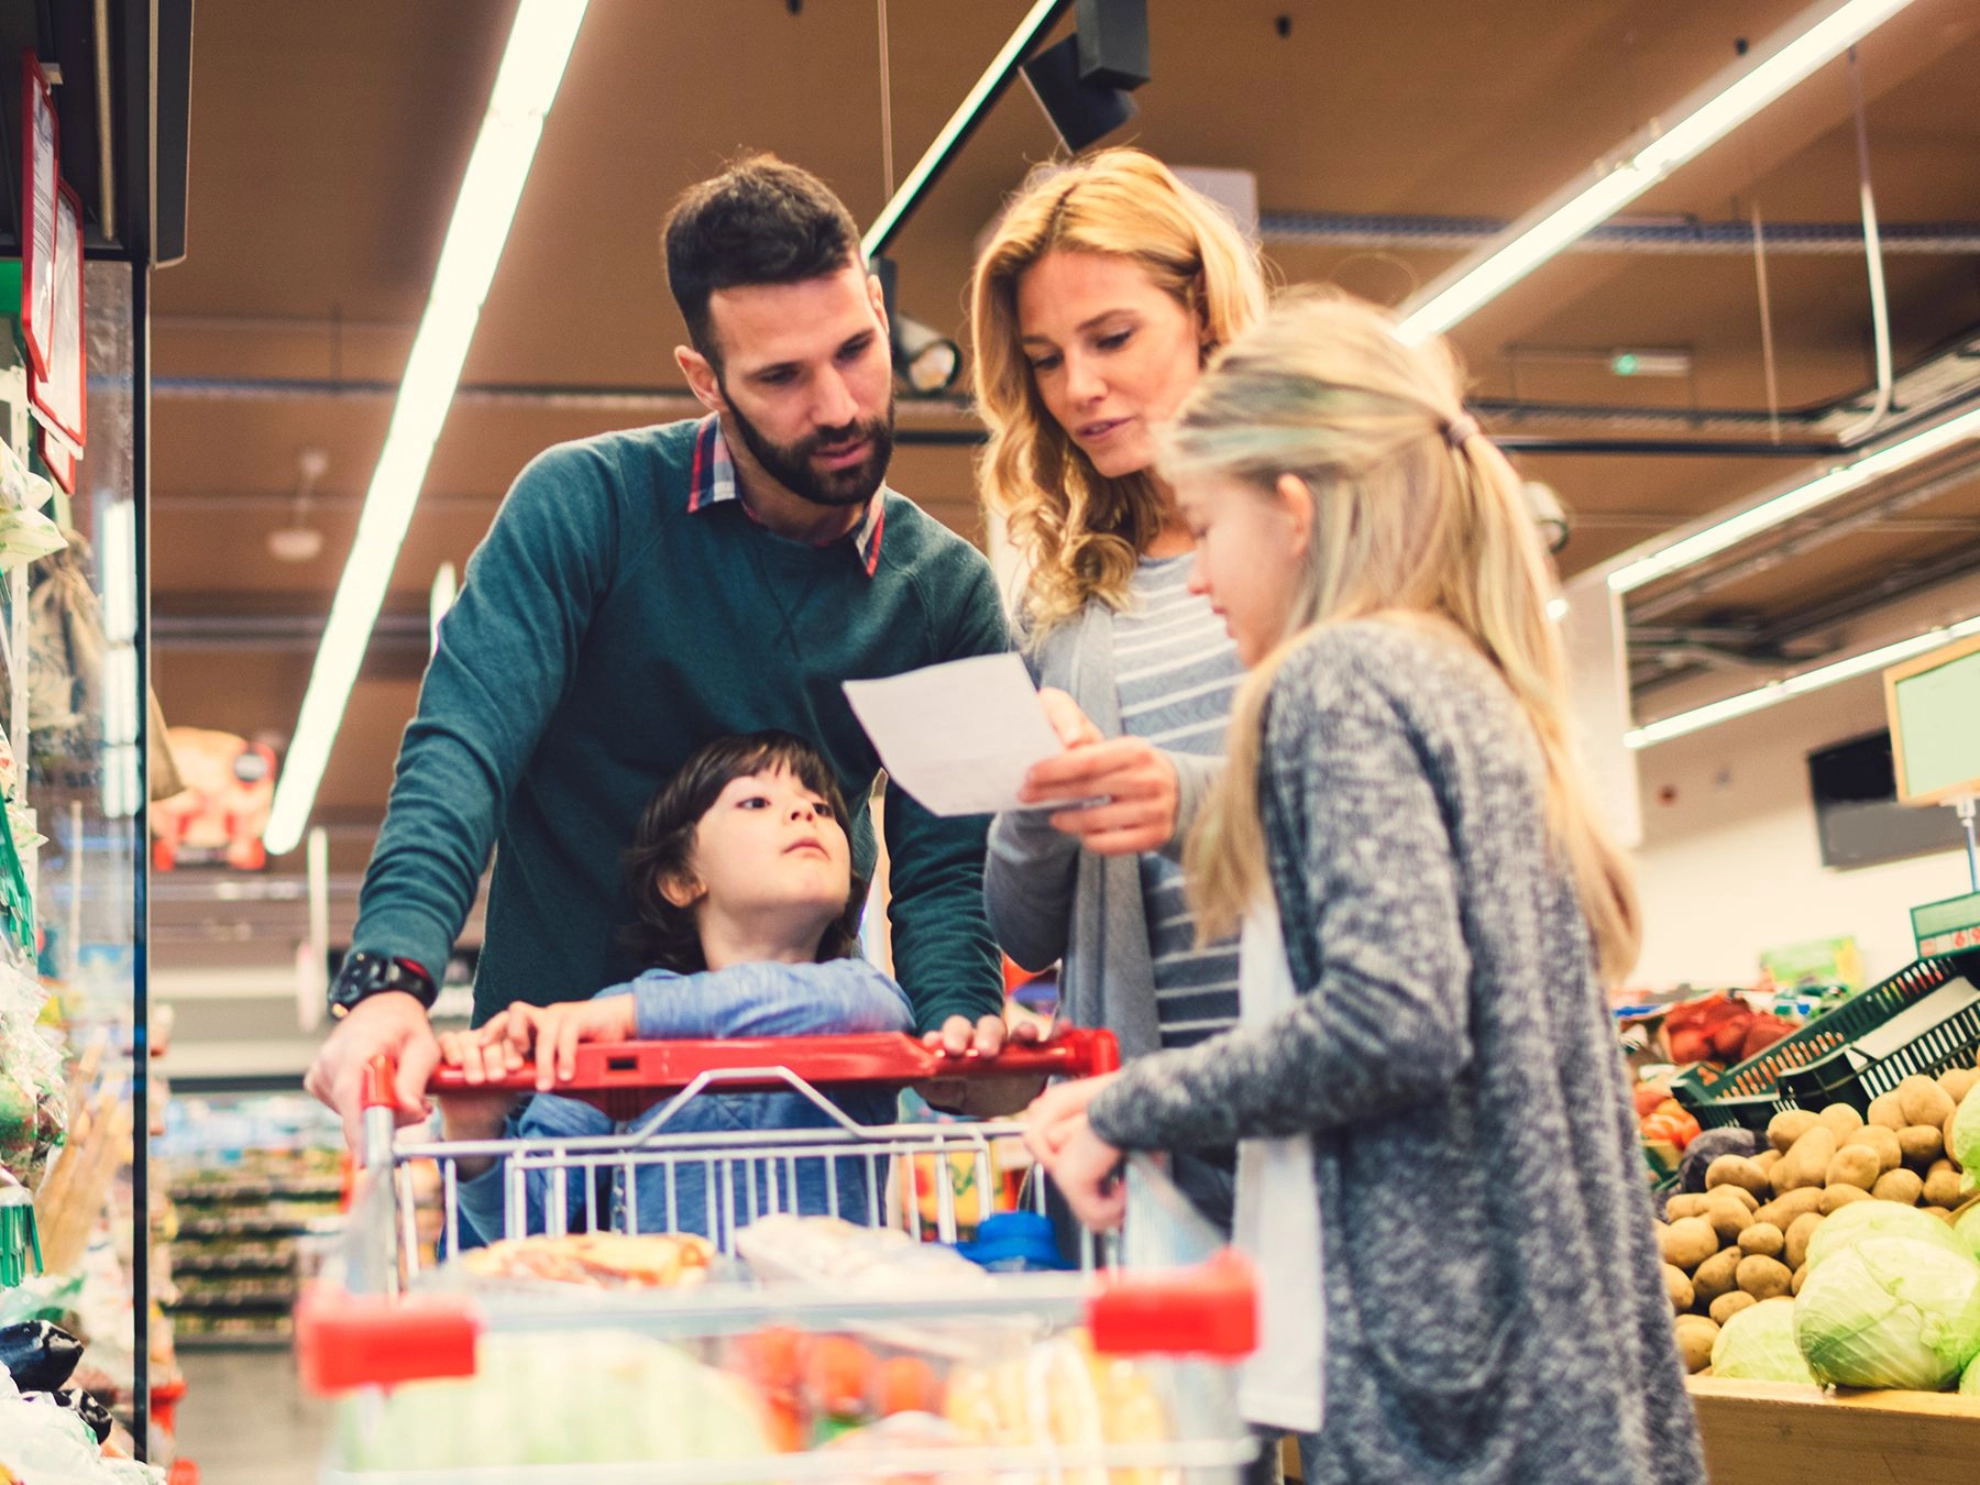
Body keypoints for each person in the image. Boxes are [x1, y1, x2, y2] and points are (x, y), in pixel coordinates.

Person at [1025, 290, 1706, 1484]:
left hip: (1446, 1388)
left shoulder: (1332, 679)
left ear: (1291, 515)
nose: (1197, 580)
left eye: (1208, 525)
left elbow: (1392, 1019)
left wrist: (1129, 1104)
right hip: (1561, 1369)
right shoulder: (1464, 674)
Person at [306, 155, 1016, 1148]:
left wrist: (956, 1035)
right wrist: (391, 978)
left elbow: (945, 870)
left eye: (857, 349)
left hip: (800, 1107)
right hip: (556, 1103)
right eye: (780, 376)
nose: (842, 407)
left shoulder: (947, 596)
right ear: (705, 381)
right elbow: (465, 746)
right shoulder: (585, 508)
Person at [970, 149, 1266, 1231]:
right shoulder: (1064, 606)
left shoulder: (1321, 541)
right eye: (1046, 358)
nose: (1078, 389)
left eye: (1113, 338)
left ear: (1203, 311)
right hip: (1148, 1150)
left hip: (1335, 1112)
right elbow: (1022, 926)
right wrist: (1039, 799)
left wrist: (1180, 793)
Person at [437, 732, 916, 1242]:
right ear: (682, 880)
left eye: (822, 808)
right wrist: (473, 1134)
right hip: (676, 1316)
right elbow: (530, 1223)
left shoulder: (856, 993)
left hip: (828, 1320)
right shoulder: (617, 1023)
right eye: (756, 801)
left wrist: (634, 1015)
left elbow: (875, 1011)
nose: (805, 814)